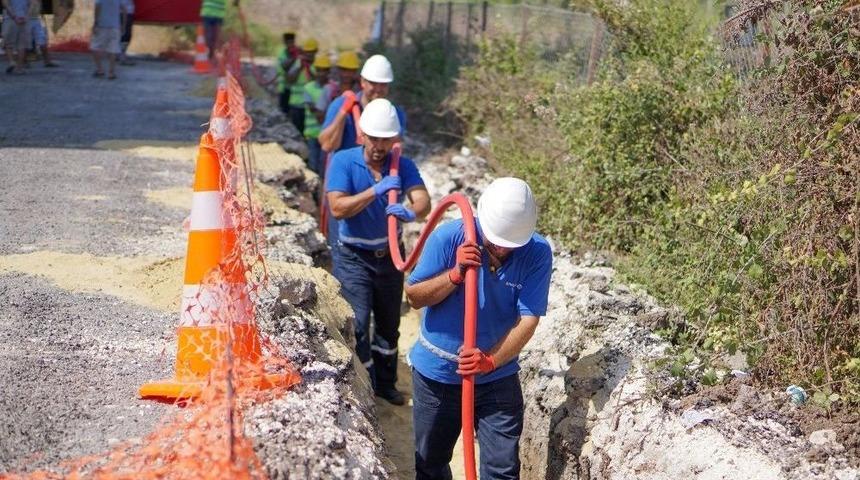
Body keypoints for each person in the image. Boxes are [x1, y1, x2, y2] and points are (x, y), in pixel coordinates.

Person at [405, 177, 553, 479]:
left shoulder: (537, 252)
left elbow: (529, 319)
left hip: (497, 376)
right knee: (430, 462)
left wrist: (490, 361)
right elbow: (414, 297)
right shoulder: (448, 238)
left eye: (510, 244)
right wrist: (455, 275)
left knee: (502, 470)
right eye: (496, 240)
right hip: (438, 375)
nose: (501, 248)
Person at [326, 99, 431, 405]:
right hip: (354, 257)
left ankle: (386, 384)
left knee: (388, 324)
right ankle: (365, 385)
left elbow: (424, 203)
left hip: (389, 258)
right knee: (358, 323)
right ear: (362, 135)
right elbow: (337, 207)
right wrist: (376, 190)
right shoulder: (345, 161)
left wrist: (410, 213)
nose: (379, 146)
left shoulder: (403, 165)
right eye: (374, 138)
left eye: (386, 139)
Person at [319, 54, 407, 263]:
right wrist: (343, 112)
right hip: (344, 184)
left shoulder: (393, 114)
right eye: (373, 84)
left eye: (383, 85)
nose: (378, 90)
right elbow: (326, 144)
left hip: (378, 185)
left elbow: (397, 148)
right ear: (363, 82)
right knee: (339, 245)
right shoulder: (344, 104)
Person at [302, 54, 331, 175]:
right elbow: (314, 110)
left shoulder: (333, 88)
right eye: (319, 70)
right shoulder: (308, 88)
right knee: (314, 165)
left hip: (328, 135)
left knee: (325, 166)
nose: (321, 73)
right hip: (313, 134)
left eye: (324, 70)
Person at [284, 38, 317, 134]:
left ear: (315, 52)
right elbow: (290, 79)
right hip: (297, 104)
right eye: (307, 52)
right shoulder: (298, 63)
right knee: (297, 131)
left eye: (311, 52)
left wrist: (309, 68)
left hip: (312, 106)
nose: (309, 54)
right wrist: (300, 67)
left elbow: (318, 81)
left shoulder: (319, 65)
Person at [316, 50, 360, 120]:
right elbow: (319, 115)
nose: (346, 74)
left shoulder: (360, 91)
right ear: (338, 70)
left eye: (350, 71)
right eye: (344, 70)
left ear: (355, 71)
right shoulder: (329, 90)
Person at [90, 0, 125, 79]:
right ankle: (111, 72)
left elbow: (97, 8)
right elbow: (124, 10)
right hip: (115, 27)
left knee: (95, 47)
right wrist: (123, 24)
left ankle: (100, 69)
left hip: (102, 26)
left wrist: (95, 23)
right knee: (113, 49)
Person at [3, 0, 31, 74]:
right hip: (23, 19)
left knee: (8, 43)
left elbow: (6, 5)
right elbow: (30, 5)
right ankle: (19, 68)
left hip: (10, 19)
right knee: (21, 45)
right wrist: (26, 17)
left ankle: (12, 62)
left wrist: (14, 17)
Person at [27, 0, 57, 68]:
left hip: (36, 19)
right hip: (27, 20)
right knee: (25, 42)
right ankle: (24, 62)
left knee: (42, 40)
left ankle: (47, 61)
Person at [275, 30, 299, 116]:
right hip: (284, 86)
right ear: (285, 42)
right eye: (288, 42)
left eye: (291, 42)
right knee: (284, 110)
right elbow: (284, 66)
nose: (290, 44)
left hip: (294, 87)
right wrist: (293, 57)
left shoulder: (298, 52)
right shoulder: (282, 53)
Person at [118, 0, 134, 65]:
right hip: (125, 13)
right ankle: (122, 57)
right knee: (125, 35)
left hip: (124, 12)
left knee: (123, 35)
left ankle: (119, 55)